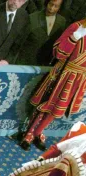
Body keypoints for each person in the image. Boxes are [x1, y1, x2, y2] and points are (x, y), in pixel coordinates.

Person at [13, 19, 86, 150]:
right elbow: (58, 52)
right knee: (46, 103)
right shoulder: (76, 26)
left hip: (79, 78)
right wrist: (74, 38)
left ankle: (38, 132)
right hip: (63, 73)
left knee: (58, 108)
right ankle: (28, 133)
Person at [18, 0, 66, 66]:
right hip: (26, 61)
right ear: (47, 3)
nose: (51, 8)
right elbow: (19, 41)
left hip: (45, 62)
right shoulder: (32, 18)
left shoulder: (62, 21)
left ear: (60, 8)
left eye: (56, 6)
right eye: (50, 4)